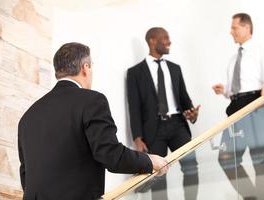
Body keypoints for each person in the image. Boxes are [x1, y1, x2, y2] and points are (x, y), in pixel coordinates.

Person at [18, 42, 169, 200]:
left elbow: (26, 177)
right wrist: (150, 161)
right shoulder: (92, 100)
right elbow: (111, 155)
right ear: (85, 68)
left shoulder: (28, 117)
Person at [212, 13, 264, 200]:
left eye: (234, 28)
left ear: (246, 28)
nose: (231, 32)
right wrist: (225, 90)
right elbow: (237, 88)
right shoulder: (233, 58)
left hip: (256, 105)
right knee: (226, 159)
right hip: (235, 108)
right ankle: (252, 198)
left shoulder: (261, 50)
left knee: (262, 161)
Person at [127, 27, 200, 200]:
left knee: (191, 167)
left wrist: (192, 114)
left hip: (177, 125)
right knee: (159, 175)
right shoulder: (135, 73)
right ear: (152, 40)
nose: (169, 41)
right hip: (153, 130)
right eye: (165, 38)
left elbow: (185, 100)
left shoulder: (175, 69)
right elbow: (134, 106)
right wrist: (137, 137)